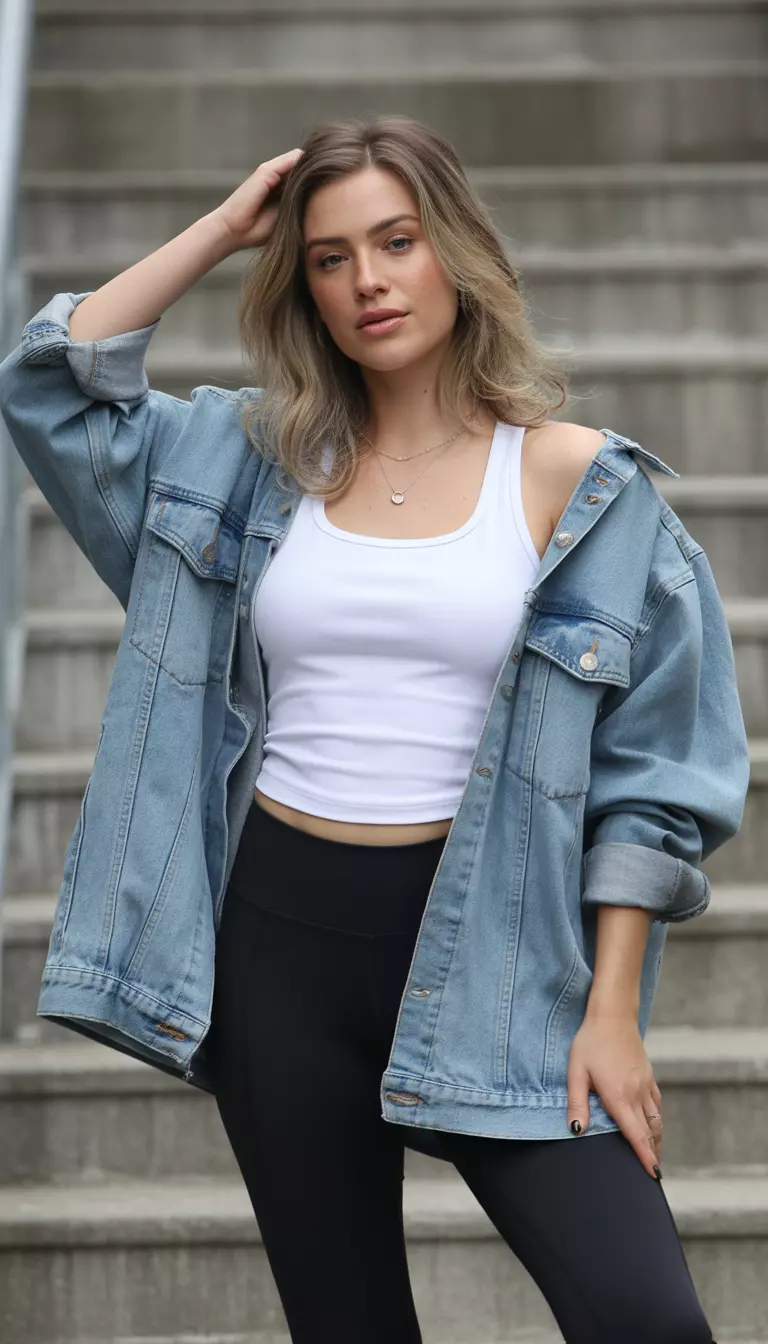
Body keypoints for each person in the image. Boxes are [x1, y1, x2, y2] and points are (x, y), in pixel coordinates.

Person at [0, 116, 745, 1343]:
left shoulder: (579, 484)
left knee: (645, 1319)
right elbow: (51, 383)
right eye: (330, 258)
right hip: (280, 944)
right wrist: (226, 230)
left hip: (503, 956)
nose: (368, 281)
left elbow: (657, 778)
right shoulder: (242, 462)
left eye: (397, 242)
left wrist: (611, 1013)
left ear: (456, 249)